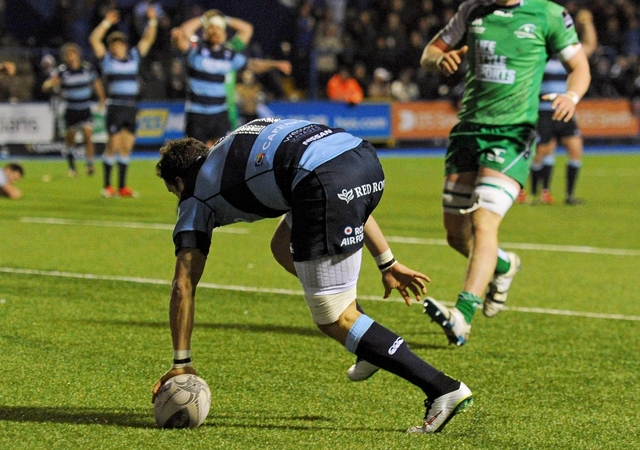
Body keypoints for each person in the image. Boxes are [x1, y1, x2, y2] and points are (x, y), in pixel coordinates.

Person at [151, 119, 473, 433]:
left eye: (173, 192)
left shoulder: (194, 194)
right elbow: (335, 175)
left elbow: (183, 285)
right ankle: (367, 345)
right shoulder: (235, 141)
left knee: (333, 319)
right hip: (362, 158)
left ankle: (441, 388)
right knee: (282, 246)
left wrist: (182, 362)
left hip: (322, 183)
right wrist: (386, 262)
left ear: (179, 182)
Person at [419, 0, 590, 345]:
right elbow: (429, 52)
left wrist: (572, 96)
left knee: (484, 222)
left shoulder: (548, 14)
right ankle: (503, 265)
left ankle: (461, 316)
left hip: (513, 134)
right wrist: (440, 58)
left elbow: (580, 66)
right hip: (468, 130)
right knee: (456, 234)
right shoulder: (472, 10)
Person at [171, 10, 291, 147]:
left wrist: (275, 64)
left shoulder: (228, 54)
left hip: (220, 112)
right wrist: (205, 18)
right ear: (205, 31)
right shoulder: (196, 48)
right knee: (195, 153)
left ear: (224, 34)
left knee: (219, 152)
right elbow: (185, 31)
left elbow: (252, 64)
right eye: (211, 28)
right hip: (197, 112)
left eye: (219, 29)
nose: (215, 32)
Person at [521, 8, 597, 206]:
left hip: (564, 111)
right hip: (544, 113)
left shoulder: (568, 58)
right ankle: (535, 192)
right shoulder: (540, 57)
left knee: (575, 149)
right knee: (542, 152)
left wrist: (587, 23)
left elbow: (589, 45)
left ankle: (569, 195)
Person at [89, 7, 157, 198]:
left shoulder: (134, 57)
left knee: (127, 146)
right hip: (116, 105)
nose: (116, 47)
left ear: (125, 46)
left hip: (131, 106)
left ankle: (122, 186)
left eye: (119, 44)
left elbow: (147, 39)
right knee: (113, 144)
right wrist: (106, 23)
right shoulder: (107, 59)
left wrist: (152, 21)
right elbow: (94, 40)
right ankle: (108, 186)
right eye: (113, 45)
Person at [42, 43, 105, 177]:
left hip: (85, 108)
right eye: (68, 55)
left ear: (78, 55)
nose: (71, 57)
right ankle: (72, 167)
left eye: (73, 54)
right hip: (71, 109)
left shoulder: (87, 69)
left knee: (88, 136)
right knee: (70, 139)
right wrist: (49, 85)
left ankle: (89, 165)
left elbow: (97, 83)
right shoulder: (62, 71)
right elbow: (49, 84)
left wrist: (102, 98)